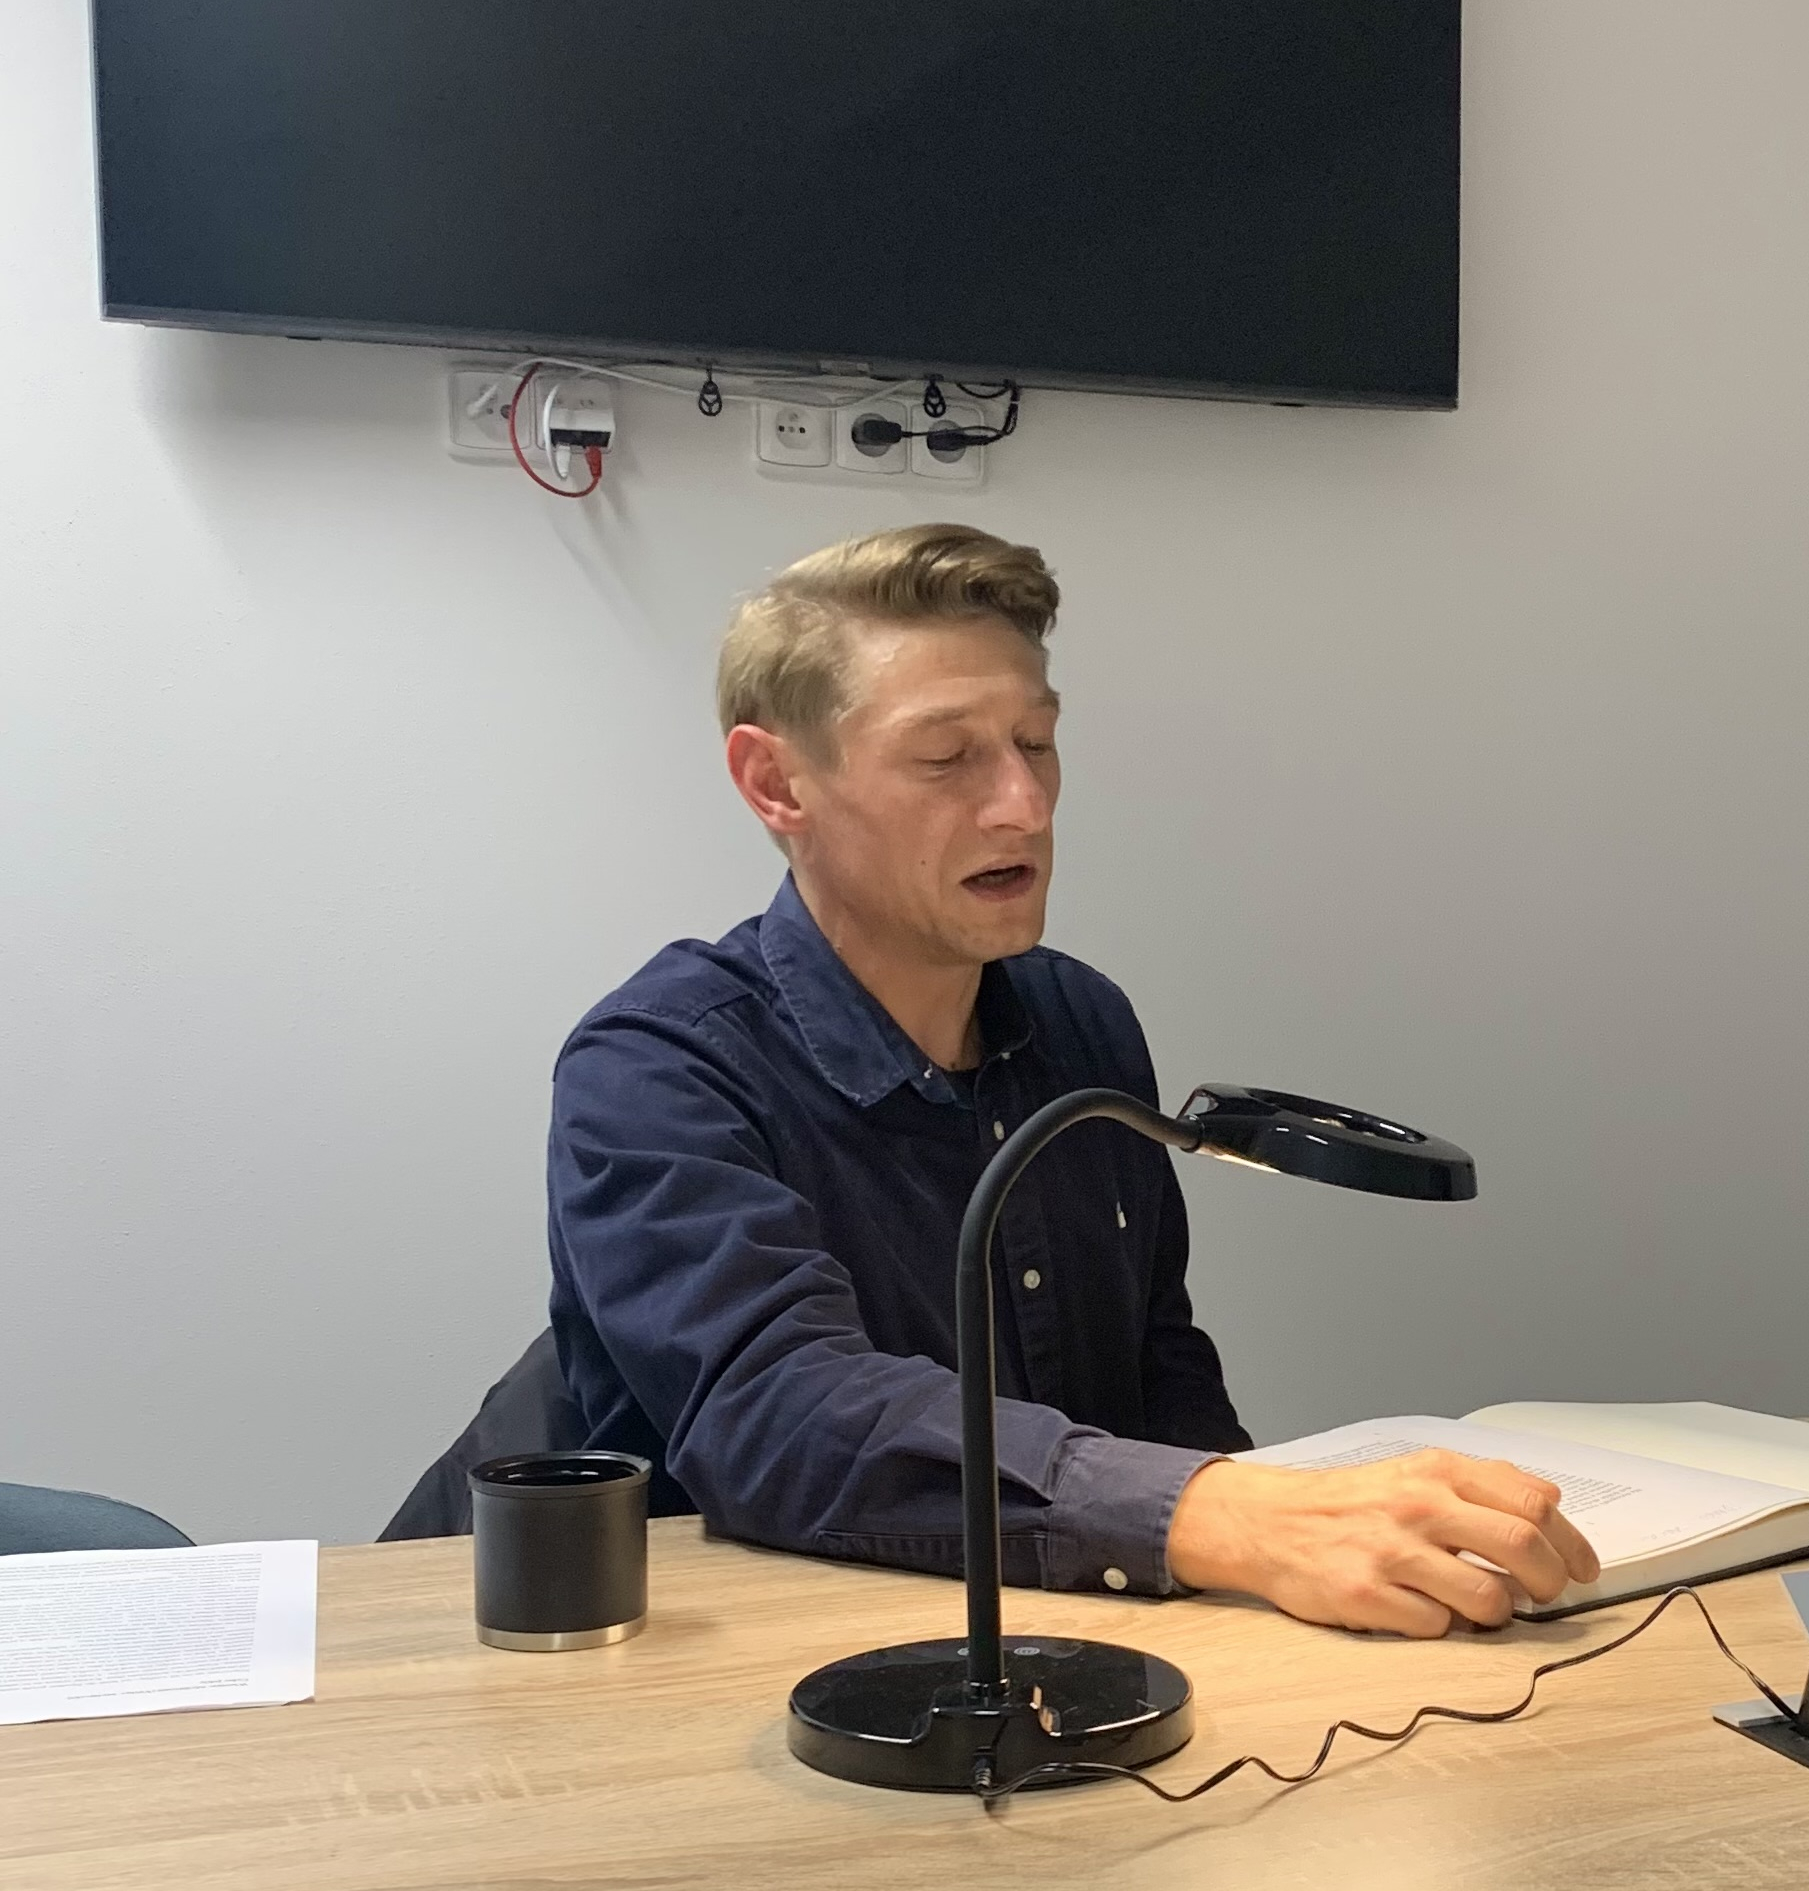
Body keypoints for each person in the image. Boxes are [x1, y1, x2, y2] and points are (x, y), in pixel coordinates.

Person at [547, 524, 1597, 1634]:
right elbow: (777, 1413)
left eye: (1036, 743)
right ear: (776, 783)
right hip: (716, 1658)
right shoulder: (658, 1066)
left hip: (1045, 1636)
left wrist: (1293, 1563)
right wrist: (1222, 1516)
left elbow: (1156, 1368)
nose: (1024, 805)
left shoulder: (1078, 1023)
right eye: (946, 758)